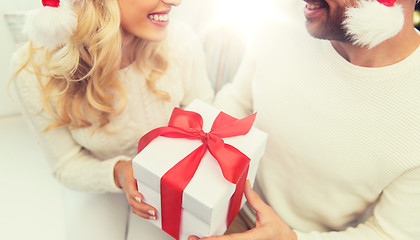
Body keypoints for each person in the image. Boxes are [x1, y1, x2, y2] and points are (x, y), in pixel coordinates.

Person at [190, 0, 420, 239]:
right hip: (227, 207)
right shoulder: (283, 18)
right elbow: (238, 99)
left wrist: (289, 238)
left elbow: (389, 233)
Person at [10, 0, 214, 239]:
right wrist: (117, 172)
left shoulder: (180, 40)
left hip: (167, 176)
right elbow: (66, 163)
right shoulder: (35, 70)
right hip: (98, 178)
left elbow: (203, 110)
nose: (175, 2)